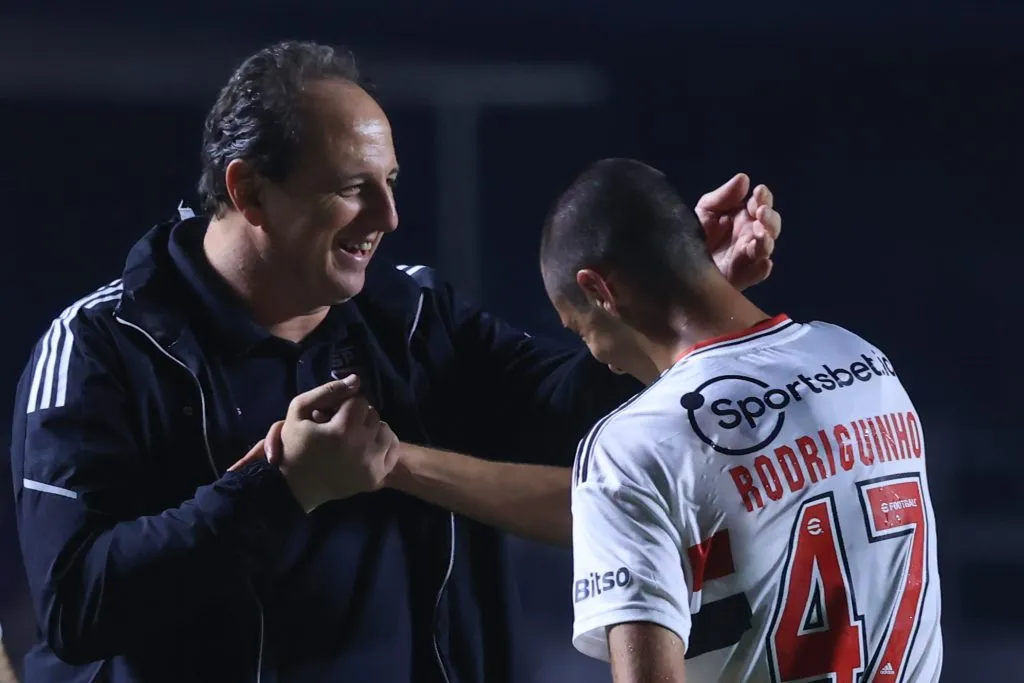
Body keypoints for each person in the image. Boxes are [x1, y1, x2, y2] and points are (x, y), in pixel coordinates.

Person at [9, 41, 781, 683]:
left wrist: (672, 298)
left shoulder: (408, 316)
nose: (389, 217)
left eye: (391, 183)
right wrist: (277, 488)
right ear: (249, 191)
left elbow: (571, 417)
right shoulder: (101, 348)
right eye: (353, 189)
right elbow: (76, 608)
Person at [532, 158, 940, 682]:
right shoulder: (864, 362)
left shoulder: (628, 448)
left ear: (598, 290)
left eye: (580, 329)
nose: (600, 358)